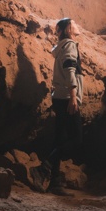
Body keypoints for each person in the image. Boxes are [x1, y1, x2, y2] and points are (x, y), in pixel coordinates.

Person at [30, 17, 84, 195]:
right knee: (76, 140)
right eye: (73, 23)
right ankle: (43, 168)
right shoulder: (69, 44)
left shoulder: (62, 46)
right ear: (66, 29)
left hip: (59, 97)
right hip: (67, 97)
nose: (76, 25)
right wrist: (73, 95)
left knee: (60, 139)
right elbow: (70, 68)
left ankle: (54, 182)